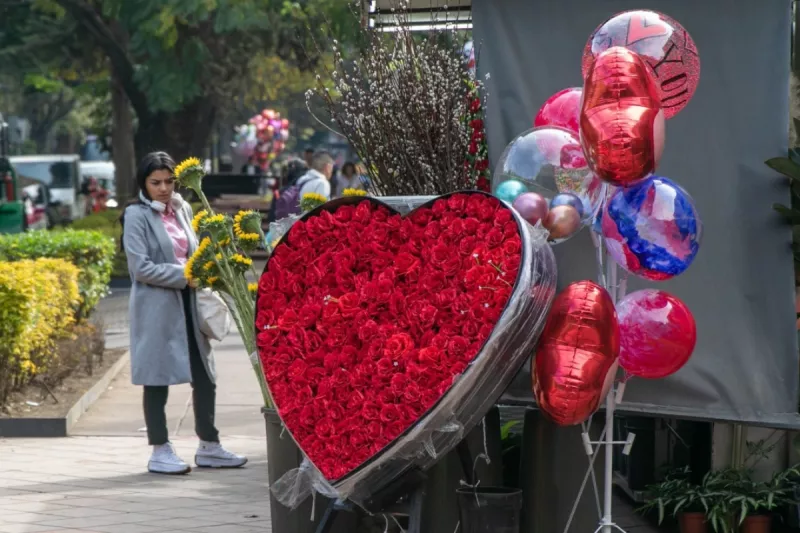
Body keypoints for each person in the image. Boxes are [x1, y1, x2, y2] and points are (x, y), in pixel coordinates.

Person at [121, 151, 247, 475]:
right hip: (156, 310)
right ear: (143, 184)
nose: (163, 188)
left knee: (206, 376)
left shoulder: (183, 208)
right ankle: (160, 450)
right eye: (156, 182)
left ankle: (209, 445)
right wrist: (185, 275)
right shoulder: (136, 215)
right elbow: (140, 267)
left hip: (190, 306)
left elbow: (193, 252)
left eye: (169, 181)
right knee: (156, 380)